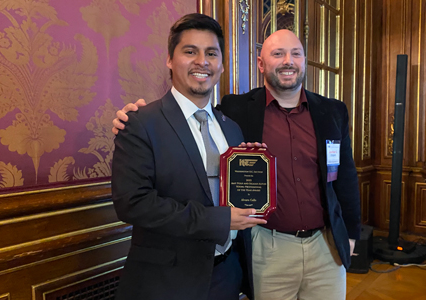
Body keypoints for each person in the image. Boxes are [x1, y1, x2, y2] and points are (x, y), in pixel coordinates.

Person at [113, 29, 361, 300]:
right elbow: (183, 118)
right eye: (278, 54)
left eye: (296, 53)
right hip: (267, 246)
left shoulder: (333, 111)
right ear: (261, 63)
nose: (288, 61)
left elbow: (345, 177)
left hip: (325, 244)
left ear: (304, 60)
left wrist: (350, 234)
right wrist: (132, 118)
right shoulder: (235, 111)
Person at [111, 13, 266, 300]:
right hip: (165, 283)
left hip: (227, 276)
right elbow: (133, 204)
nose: (202, 61)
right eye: (190, 51)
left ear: (221, 64)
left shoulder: (231, 128)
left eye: (211, 53)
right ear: (170, 60)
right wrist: (219, 221)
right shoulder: (140, 122)